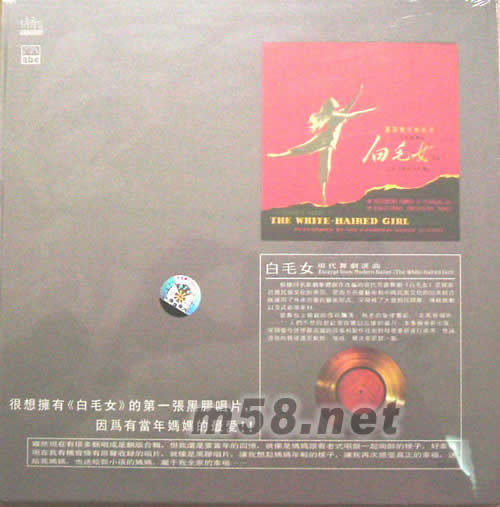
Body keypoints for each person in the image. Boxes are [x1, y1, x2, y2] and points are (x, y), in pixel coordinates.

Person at [268, 85, 376, 204]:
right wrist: (370, 110)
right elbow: (352, 114)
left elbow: (348, 108)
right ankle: (323, 192)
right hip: (327, 141)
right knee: (320, 162)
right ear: (332, 108)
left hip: (325, 139)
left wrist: (357, 95)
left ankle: (322, 192)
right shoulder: (336, 115)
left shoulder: (334, 115)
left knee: (308, 152)